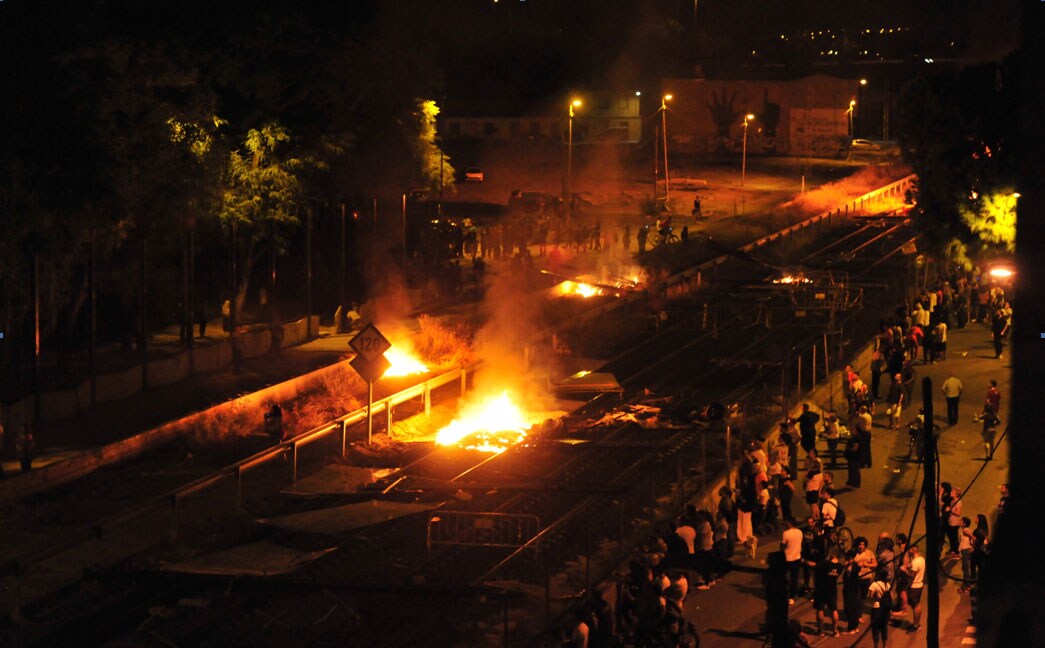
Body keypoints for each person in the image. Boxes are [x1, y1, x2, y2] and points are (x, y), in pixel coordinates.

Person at [809, 546, 845, 636]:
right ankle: (835, 630)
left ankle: (821, 630)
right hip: (832, 590)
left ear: (831, 553)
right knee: (834, 610)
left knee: (820, 609)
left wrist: (803, 561)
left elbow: (814, 565)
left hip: (821, 589)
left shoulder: (825, 564)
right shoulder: (840, 567)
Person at [902, 543, 925, 632]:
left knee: (915, 606)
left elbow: (912, 575)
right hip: (919, 585)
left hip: (914, 587)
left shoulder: (915, 562)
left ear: (911, 550)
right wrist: (908, 567)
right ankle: (917, 623)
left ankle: (915, 625)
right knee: (917, 604)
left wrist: (904, 570)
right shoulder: (921, 559)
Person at [868, 567, 893, 648]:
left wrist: (876, 596)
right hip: (885, 609)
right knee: (884, 628)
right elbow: (890, 597)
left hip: (876, 608)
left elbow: (870, 597)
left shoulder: (874, 585)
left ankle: (876, 646)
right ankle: (884, 646)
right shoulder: (888, 585)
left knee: (875, 628)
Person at [782, 519, 804, 604]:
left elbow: (783, 546)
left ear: (789, 523)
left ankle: (784, 593)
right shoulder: (799, 532)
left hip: (787, 558)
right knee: (794, 578)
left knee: (783, 576)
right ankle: (792, 596)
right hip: (797, 558)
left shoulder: (786, 533)